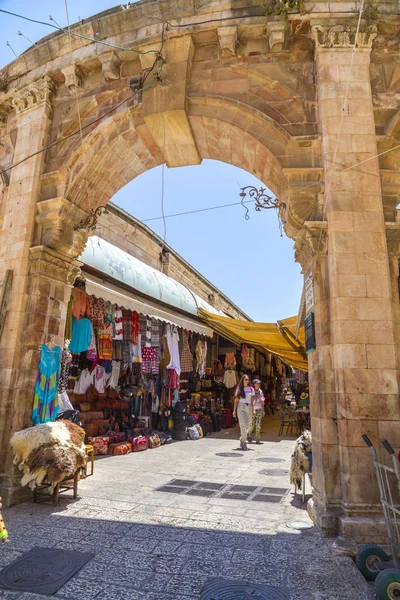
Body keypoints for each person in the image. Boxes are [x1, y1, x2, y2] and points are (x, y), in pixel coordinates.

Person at [233, 374, 255, 451]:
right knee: (243, 425)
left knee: (248, 426)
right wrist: (234, 410)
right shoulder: (239, 388)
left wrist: (253, 409)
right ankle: (244, 443)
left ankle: (242, 438)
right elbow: (236, 400)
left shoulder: (251, 389)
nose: (247, 381)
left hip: (248, 407)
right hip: (241, 407)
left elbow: (252, 399)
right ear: (242, 380)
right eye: (245, 379)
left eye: (248, 380)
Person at [248, 379, 264, 444]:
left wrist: (263, 411)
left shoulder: (260, 391)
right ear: (254, 384)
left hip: (259, 409)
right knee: (252, 424)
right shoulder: (251, 391)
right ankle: (248, 434)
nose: (258, 385)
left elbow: (262, 402)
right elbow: (250, 401)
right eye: (257, 384)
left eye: (259, 384)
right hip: (252, 409)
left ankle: (257, 438)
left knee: (258, 424)